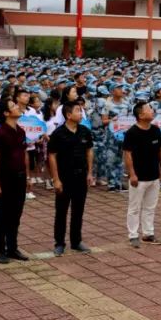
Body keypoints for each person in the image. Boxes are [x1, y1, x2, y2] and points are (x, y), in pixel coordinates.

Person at [47, 100, 95, 256]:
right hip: (64, 177)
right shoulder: (58, 134)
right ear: (68, 115)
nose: (81, 113)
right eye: (77, 111)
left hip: (81, 175)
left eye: (81, 111)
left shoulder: (84, 131)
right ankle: (59, 243)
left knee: (78, 210)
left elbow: (89, 151)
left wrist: (89, 172)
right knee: (61, 211)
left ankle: (76, 241)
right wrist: (56, 179)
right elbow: (52, 156)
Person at [0, 97, 30, 264]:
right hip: (6, 179)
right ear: (6, 113)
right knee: (2, 215)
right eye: (13, 106)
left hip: (19, 177)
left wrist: (27, 176)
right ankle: (0, 250)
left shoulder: (20, 131)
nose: (18, 107)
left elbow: (23, 154)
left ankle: (12, 248)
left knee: (16, 214)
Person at [123, 101, 161, 247]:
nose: (152, 111)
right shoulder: (132, 133)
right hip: (138, 177)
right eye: (149, 109)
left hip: (154, 175)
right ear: (140, 115)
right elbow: (127, 154)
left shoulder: (155, 130)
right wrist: (132, 174)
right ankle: (133, 235)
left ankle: (148, 233)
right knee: (134, 207)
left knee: (150, 207)